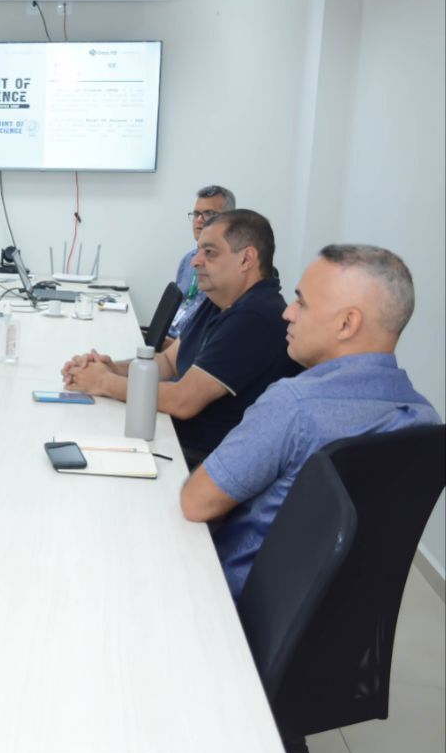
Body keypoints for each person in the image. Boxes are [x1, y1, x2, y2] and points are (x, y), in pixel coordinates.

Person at [179, 244, 440, 600]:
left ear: (346, 323)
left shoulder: (295, 406)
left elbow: (196, 503)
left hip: (237, 608)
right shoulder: (425, 421)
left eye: (302, 302)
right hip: (338, 621)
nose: (288, 313)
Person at [62, 209, 302, 464]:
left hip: (203, 460)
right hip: (174, 437)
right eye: (198, 251)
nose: (195, 261)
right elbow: (168, 362)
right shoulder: (220, 300)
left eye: (209, 252)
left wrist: (103, 382)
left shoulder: (256, 316)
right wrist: (114, 368)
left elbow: (183, 401)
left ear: (246, 259)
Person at [170, 185, 236, 341]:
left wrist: (177, 347)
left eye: (209, 214)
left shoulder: (229, 267)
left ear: (230, 219)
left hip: (194, 348)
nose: (199, 220)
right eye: (196, 214)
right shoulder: (188, 260)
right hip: (170, 338)